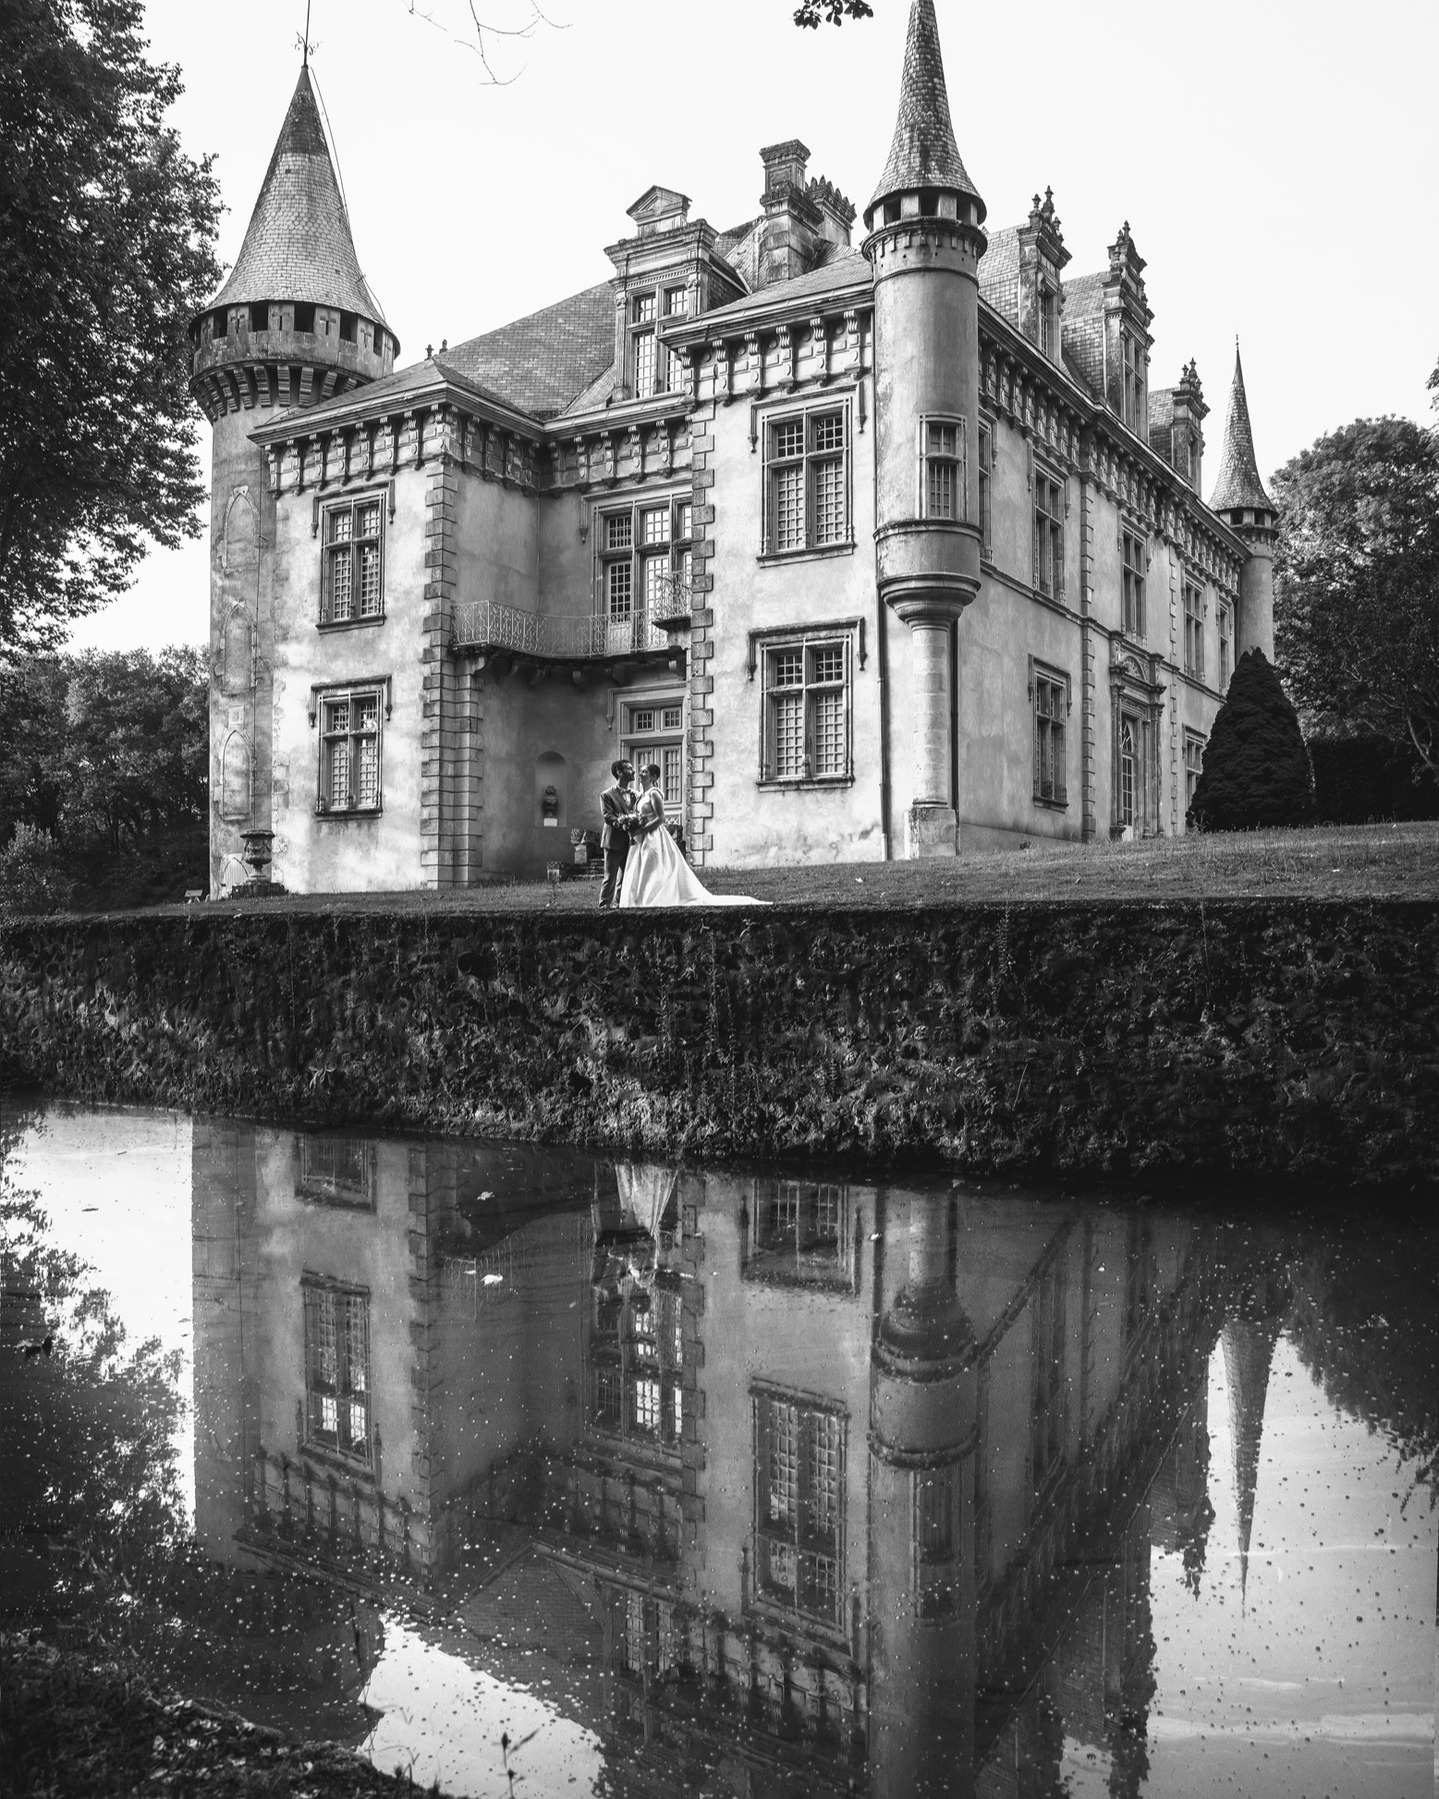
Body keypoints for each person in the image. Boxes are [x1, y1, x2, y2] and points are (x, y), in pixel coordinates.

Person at [618, 765, 769, 908]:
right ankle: (640, 900)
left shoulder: (654, 793)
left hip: (653, 836)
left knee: (652, 867)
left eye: (645, 772)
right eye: (641, 771)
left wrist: (642, 830)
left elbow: (660, 818)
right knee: (641, 868)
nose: (640, 774)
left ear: (653, 777)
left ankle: (654, 899)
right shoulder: (640, 796)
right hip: (641, 838)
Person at [598, 759, 637, 908]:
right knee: (610, 878)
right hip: (613, 842)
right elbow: (608, 816)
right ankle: (603, 908)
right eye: (629, 768)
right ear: (619, 772)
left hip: (631, 843)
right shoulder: (607, 795)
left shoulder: (635, 794)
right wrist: (625, 823)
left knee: (626, 877)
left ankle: (619, 906)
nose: (633, 771)